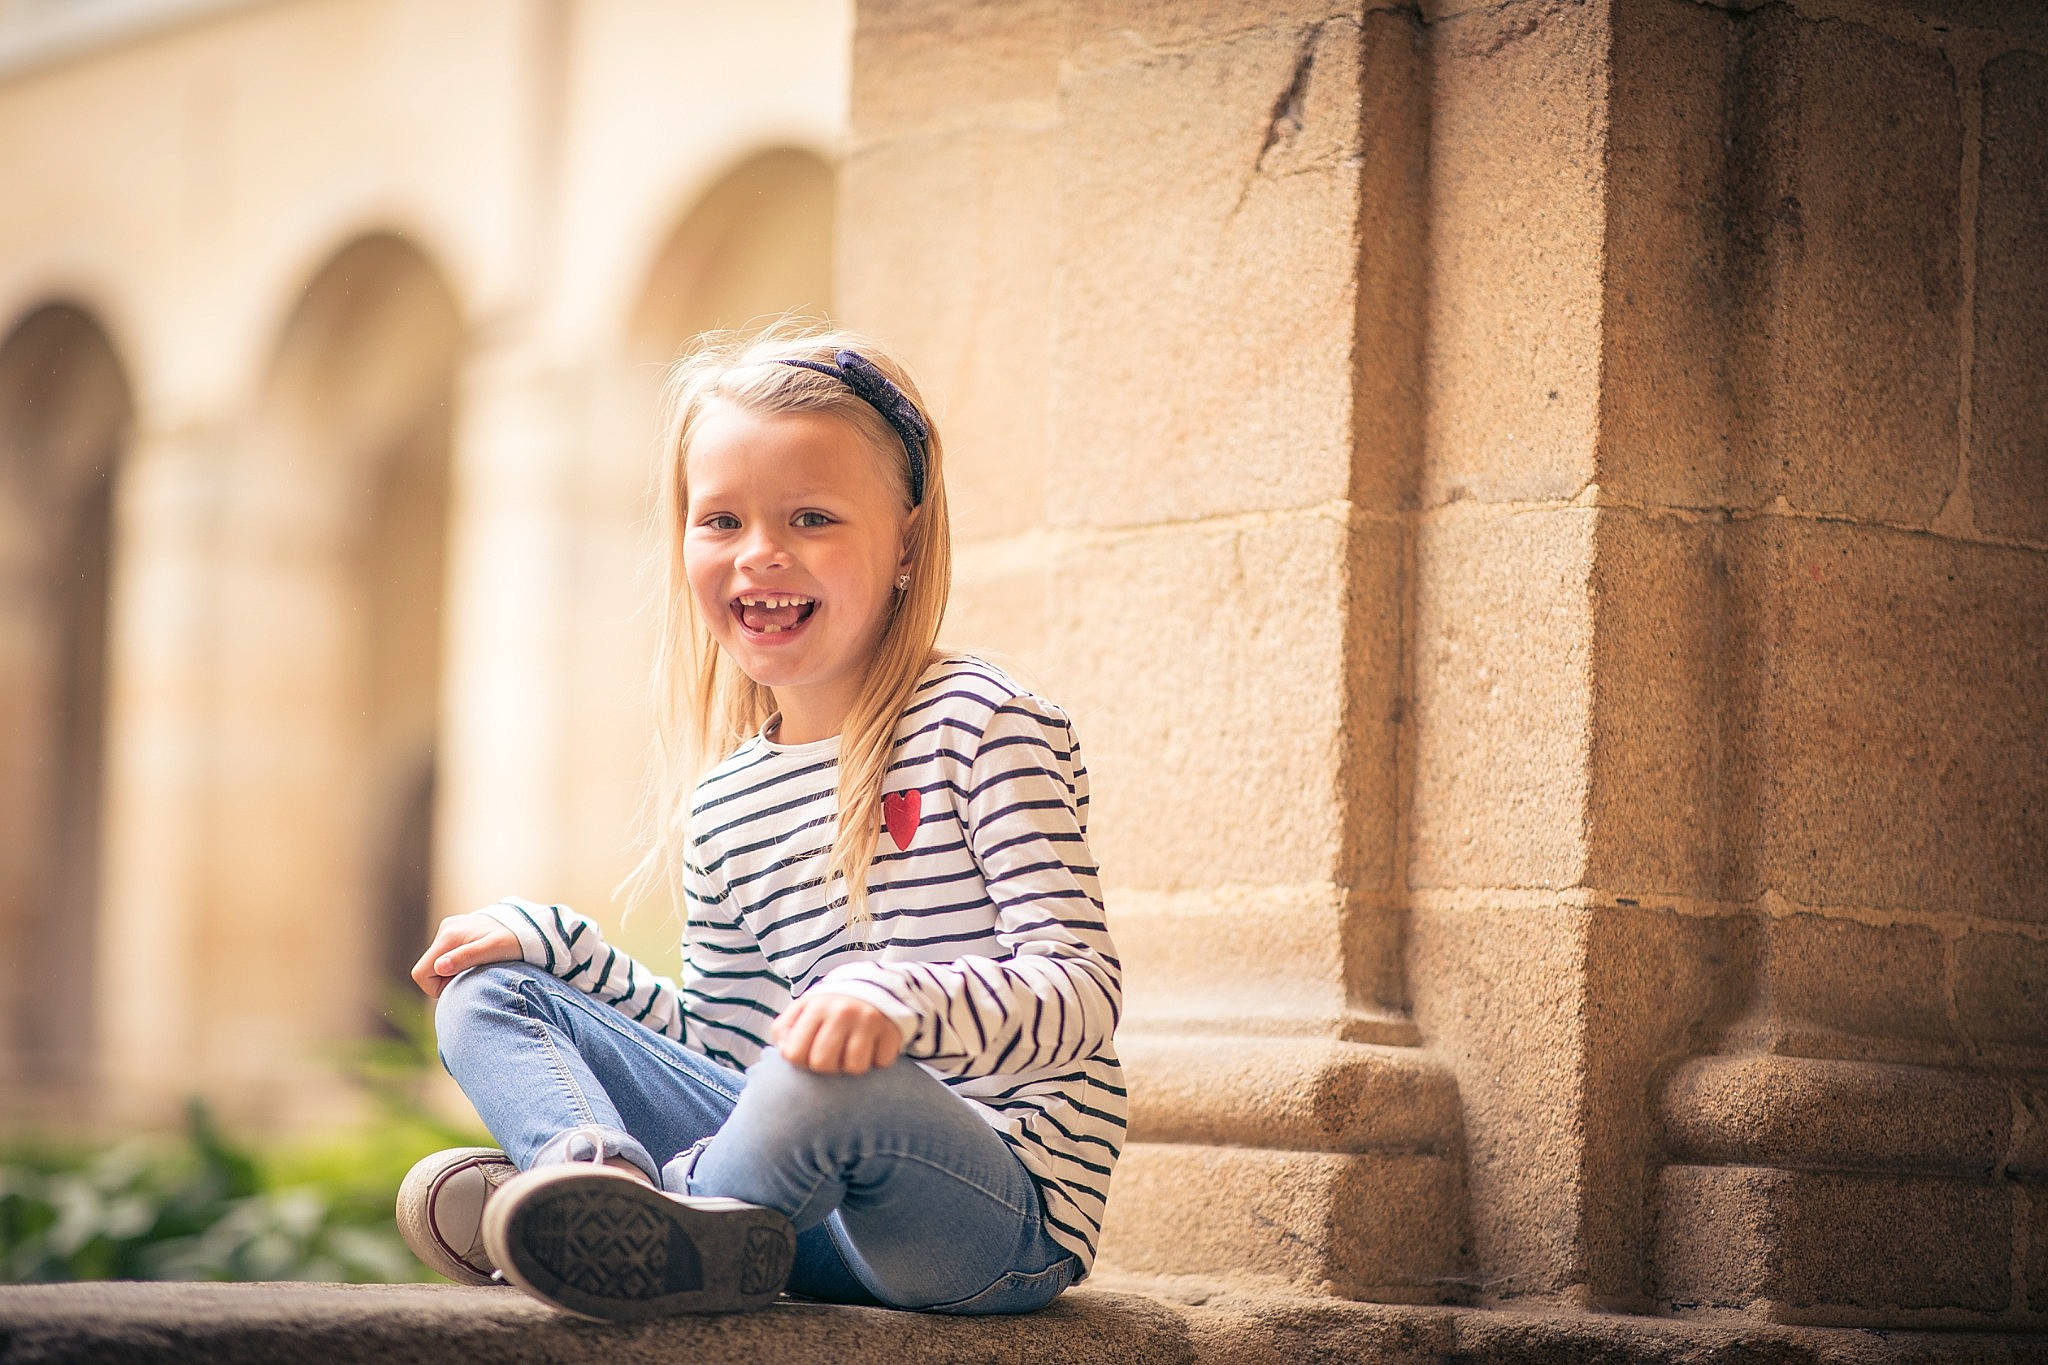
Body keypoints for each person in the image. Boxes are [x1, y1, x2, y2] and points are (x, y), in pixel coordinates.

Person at [394, 322, 1125, 1322]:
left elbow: (1079, 991)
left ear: (906, 541)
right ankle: (598, 1179)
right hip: (793, 1209)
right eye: (721, 521)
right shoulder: (728, 805)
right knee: (487, 996)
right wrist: (564, 953)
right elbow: (729, 1047)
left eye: (812, 518)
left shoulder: (981, 723)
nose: (760, 556)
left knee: (832, 1081)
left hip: (985, 1219)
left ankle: (663, 1217)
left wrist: (901, 1005)